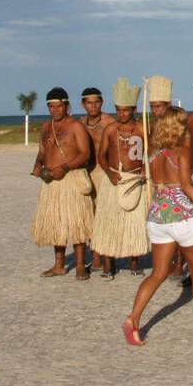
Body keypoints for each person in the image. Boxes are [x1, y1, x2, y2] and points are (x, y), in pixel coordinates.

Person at [122, 108, 193, 344]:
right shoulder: (182, 151)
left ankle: (133, 319)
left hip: (158, 216)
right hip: (183, 216)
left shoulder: (153, 152)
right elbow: (187, 187)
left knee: (157, 273)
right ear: (178, 126)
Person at [29, 87, 94, 279]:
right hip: (51, 182)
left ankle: (81, 265)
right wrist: (37, 165)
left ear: (66, 105)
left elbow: (85, 154)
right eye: (52, 106)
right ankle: (59, 265)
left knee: (76, 223)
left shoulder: (76, 126)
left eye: (59, 106)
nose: (56, 110)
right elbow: (42, 151)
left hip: (71, 179)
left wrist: (64, 168)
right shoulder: (45, 127)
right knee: (55, 223)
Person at [93, 78, 150, 278]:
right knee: (110, 222)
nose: (121, 114)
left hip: (134, 180)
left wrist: (144, 169)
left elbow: (149, 154)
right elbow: (101, 155)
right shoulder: (110, 129)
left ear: (133, 109)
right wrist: (109, 173)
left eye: (125, 110)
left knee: (134, 222)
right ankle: (109, 265)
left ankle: (134, 263)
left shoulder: (143, 129)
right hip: (113, 180)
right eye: (118, 109)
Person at [79, 86, 112, 274]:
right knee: (88, 214)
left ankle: (102, 254)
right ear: (83, 104)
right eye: (89, 103)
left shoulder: (109, 122)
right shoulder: (80, 124)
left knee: (102, 214)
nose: (93, 106)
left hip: (102, 173)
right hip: (85, 174)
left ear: (102, 103)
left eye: (96, 102)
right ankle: (94, 254)